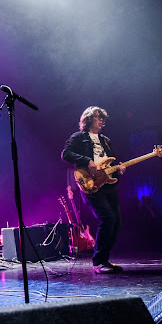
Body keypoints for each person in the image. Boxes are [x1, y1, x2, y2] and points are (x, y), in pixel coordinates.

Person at [61, 106, 125, 274]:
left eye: (103, 117)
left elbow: (110, 162)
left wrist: (118, 168)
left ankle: (104, 259)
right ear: (89, 119)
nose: (102, 120)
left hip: (108, 183)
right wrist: (87, 160)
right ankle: (99, 261)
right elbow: (65, 154)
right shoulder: (79, 137)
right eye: (98, 117)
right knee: (108, 217)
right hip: (90, 184)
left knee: (116, 222)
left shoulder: (106, 140)